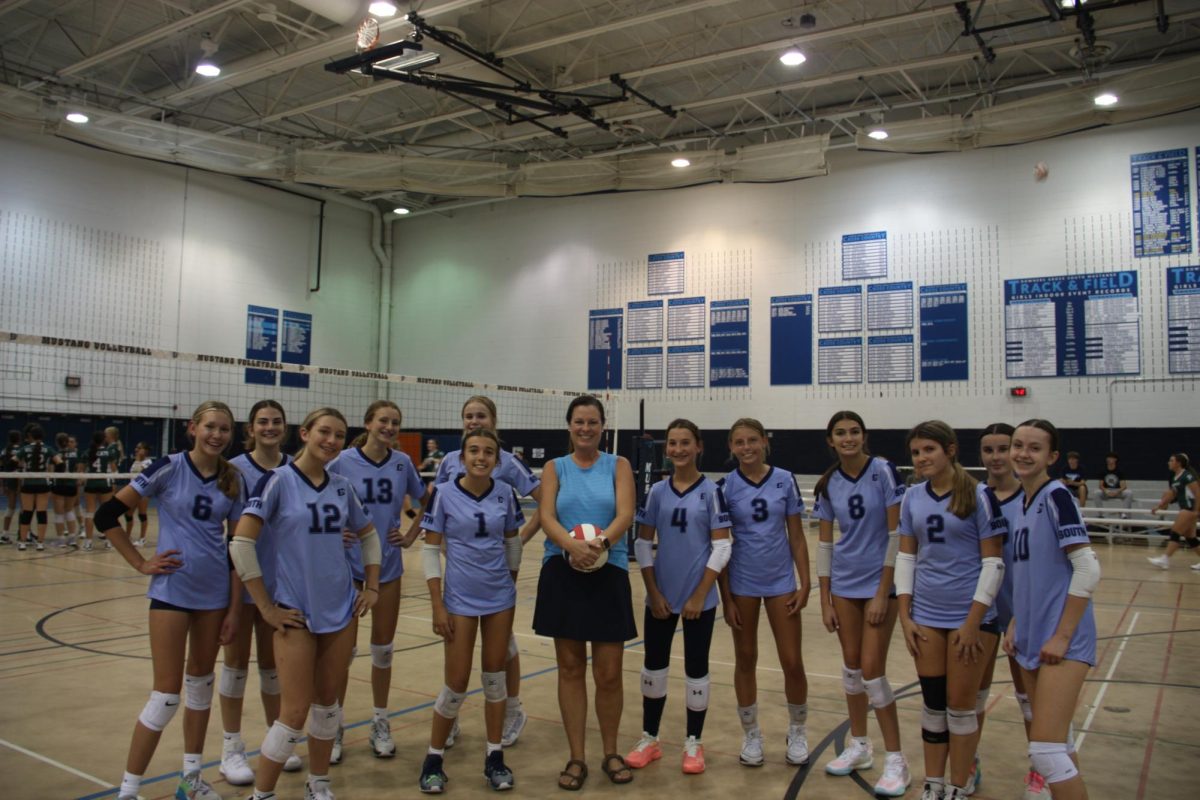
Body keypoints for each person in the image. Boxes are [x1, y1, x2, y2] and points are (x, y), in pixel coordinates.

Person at [230, 407, 381, 800]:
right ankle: (262, 794)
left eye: (339, 435)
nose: (331, 441)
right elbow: (242, 543)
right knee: (293, 714)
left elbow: (369, 535)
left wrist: (373, 587)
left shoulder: (342, 486)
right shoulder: (277, 481)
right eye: (324, 432)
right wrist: (264, 606)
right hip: (295, 610)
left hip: (341, 608)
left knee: (327, 705)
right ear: (306, 433)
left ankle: (319, 784)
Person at [98, 401, 245, 800]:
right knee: (165, 696)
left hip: (214, 595)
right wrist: (140, 563)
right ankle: (128, 789)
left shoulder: (233, 478)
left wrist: (233, 608)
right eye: (210, 427)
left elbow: (237, 547)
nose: (217, 435)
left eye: (225, 429)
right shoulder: (169, 466)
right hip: (172, 593)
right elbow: (106, 515)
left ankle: (190, 781)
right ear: (193, 428)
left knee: (201, 687)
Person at [895, 420, 1005, 800]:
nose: (922, 458)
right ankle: (933, 782)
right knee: (932, 706)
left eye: (929, 450)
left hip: (970, 620)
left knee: (960, 709)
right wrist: (905, 616)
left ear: (950, 450)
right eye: (916, 452)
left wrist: (974, 622)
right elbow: (907, 556)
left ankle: (959, 784)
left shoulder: (979, 495)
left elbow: (993, 563)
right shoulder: (913, 497)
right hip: (926, 615)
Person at [532, 395, 636, 790]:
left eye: (593, 422)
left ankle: (611, 752)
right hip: (563, 570)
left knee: (609, 673)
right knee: (571, 669)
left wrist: (599, 546)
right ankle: (576, 757)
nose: (586, 429)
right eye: (579, 422)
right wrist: (571, 548)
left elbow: (625, 512)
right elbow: (546, 515)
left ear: (602, 426)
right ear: (569, 426)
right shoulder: (554, 467)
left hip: (609, 569)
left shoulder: (619, 465)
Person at [429, 395, 543, 749]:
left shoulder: (507, 466)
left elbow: (545, 501)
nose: (474, 421)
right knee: (457, 661)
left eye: (481, 416)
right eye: (468, 416)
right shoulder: (450, 461)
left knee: (503, 650)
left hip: (495, 578)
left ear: (494, 420)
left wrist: (521, 540)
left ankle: (511, 709)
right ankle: (452, 718)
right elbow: (437, 508)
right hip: (461, 571)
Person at [418, 427, 525, 793]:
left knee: (495, 679)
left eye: (489, 452)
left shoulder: (505, 494)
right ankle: (433, 759)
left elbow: (512, 542)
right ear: (462, 458)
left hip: (499, 599)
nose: (481, 457)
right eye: (474, 451)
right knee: (457, 683)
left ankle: (494, 757)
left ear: (497, 459)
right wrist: (437, 604)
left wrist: (509, 583)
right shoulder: (444, 493)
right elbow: (431, 549)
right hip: (459, 600)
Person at [624, 419, 731, 775]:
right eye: (672, 443)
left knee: (696, 669)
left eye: (686, 443)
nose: (679, 450)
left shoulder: (711, 492)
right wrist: (653, 592)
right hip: (661, 599)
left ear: (699, 446)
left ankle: (693, 743)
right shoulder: (656, 492)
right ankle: (649, 738)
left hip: (699, 600)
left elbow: (721, 546)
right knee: (653, 669)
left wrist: (700, 595)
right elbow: (642, 543)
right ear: (666, 449)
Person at [812, 411, 909, 795]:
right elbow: (824, 544)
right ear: (830, 441)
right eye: (840, 433)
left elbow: (897, 532)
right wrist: (825, 600)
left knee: (872, 671)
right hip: (844, 585)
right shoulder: (829, 483)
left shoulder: (882, 471)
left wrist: (884, 591)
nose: (848, 438)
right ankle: (860, 746)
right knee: (851, 669)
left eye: (854, 432)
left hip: (879, 585)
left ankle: (897, 760)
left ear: (864, 436)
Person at [1004, 419, 1100, 800]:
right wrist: (1015, 621)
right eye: (1018, 445)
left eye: (1034, 447)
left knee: (1044, 752)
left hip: (1061, 640)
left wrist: (1062, 635)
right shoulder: (1022, 502)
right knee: (1060, 743)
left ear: (1052, 456)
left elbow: (1089, 567)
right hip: (1030, 636)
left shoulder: (1057, 495)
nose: (1023, 453)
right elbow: (1034, 575)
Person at [328, 400, 426, 763]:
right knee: (343, 654)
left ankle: (380, 723)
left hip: (387, 567)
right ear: (368, 423)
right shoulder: (341, 462)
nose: (389, 427)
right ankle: (333, 725)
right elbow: (318, 500)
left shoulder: (402, 463)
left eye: (395, 422)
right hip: (348, 569)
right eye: (383, 420)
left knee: (383, 651)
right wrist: (332, 534)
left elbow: (428, 499)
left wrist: (413, 533)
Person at [716, 417, 811, 768]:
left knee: (791, 661)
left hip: (781, 582)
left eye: (752, 440)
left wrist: (806, 582)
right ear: (731, 447)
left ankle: (798, 730)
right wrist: (726, 599)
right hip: (742, 582)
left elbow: (797, 537)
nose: (747, 448)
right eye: (739, 442)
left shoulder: (784, 479)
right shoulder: (725, 487)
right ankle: (751, 734)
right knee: (745, 659)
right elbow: (720, 545)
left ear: (764, 442)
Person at [219, 400, 301, 786]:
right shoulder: (235, 469)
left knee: (273, 671)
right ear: (250, 429)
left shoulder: (296, 468)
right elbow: (234, 538)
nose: (270, 427)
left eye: (276, 422)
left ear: (285, 427)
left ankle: (276, 740)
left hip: (282, 585)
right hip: (242, 582)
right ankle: (231, 748)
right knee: (235, 667)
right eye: (262, 422)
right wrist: (234, 606)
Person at [975, 423, 1047, 798]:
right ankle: (967, 760)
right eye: (989, 450)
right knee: (974, 695)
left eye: (1004, 448)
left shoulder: (1034, 497)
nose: (998, 457)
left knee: (1029, 699)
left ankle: (1040, 771)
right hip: (985, 611)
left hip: (1025, 613)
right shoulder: (973, 497)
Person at [1146, 452, 1200, 571]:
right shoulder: (1176, 477)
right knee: (1190, 537)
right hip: (1186, 509)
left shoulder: (1187, 476)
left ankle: (1164, 559)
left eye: (1171, 460)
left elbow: (1198, 493)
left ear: (1179, 463)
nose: (1169, 463)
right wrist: (1159, 506)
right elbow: (1171, 494)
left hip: (1190, 508)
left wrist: (1196, 510)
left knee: (1175, 532)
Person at [16, 422, 58, 551]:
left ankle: (22, 542)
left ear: (30, 436)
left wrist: (20, 468)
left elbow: (12, 461)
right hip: (43, 484)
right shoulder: (49, 449)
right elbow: (59, 462)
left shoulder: (25, 449)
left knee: (26, 513)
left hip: (27, 483)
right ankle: (40, 543)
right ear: (42, 436)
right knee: (41, 513)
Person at [82, 430, 117, 551]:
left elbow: (81, 472)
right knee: (106, 513)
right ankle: (108, 541)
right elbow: (114, 471)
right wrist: (114, 484)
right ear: (103, 440)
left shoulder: (87, 452)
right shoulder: (109, 453)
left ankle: (88, 542)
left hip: (91, 484)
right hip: (105, 484)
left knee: (89, 512)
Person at [51, 432, 82, 547]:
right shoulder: (75, 454)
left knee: (59, 513)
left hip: (59, 484)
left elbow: (50, 471)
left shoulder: (55, 454)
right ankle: (72, 538)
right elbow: (79, 469)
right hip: (71, 485)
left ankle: (61, 540)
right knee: (69, 511)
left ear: (57, 443)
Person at [124, 443, 155, 546]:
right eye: (136, 447)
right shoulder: (135, 461)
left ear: (145, 450)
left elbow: (142, 473)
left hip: (143, 492)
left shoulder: (148, 462)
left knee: (142, 514)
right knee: (128, 514)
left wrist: (138, 459)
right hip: (133, 491)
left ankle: (142, 538)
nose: (136, 449)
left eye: (139, 448)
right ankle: (127, 536)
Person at [1095, 452, 1133, 519]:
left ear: (1115, 460)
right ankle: (1101, 514)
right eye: (1108, 458)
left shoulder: (1119, 471)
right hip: (1106, 491)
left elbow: (1124, 486)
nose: (1109, 460)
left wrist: (1117, 491)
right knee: (1097, 493)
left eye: (1111, 458)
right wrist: (1106, 491)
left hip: (1117, 491)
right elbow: (1100, 485)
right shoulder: (1103, 471)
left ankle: (1124, 514)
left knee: (1129, 493)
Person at [2, 429, 23, 542]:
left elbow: (1, 469)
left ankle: (5, 534)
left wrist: (2, 485)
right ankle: (23, 534)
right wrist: (20, 485)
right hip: (18, 481)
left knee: (10, 508)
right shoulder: (20, 450)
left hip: (8, 481)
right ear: (19, 439)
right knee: (24, 508)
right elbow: (20, 468)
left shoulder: (4, 451)